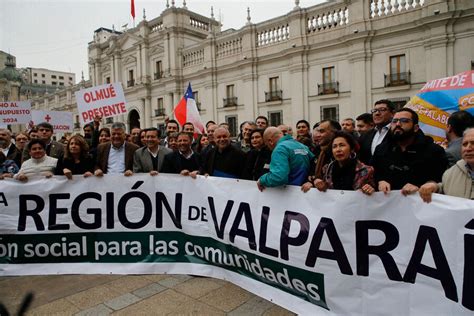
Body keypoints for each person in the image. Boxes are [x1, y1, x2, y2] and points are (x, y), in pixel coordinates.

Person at [372, 108, 448, 195]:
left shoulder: (434, 151)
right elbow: (373, 173)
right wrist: (380, 181)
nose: (398, 124)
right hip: (389, 203)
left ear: (415, 128)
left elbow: (441, 179)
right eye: (394, 121)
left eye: (404, 121)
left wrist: (421, 186)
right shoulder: (381, 149)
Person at [302, 131, 375, 194]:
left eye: (342, 145)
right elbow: (322, 185)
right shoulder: (327, 169)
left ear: (352, 149)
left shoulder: (366, 170)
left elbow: (375, 192)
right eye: (334, 146)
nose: (338, 150)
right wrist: (312, 183)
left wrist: (370, 189)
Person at [419, 128, 474, 202]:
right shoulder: (449, 174)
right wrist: (436, 188)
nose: (468, 148)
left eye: (473, 143)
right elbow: (446, 190)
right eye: (464, 144)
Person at [358, 100, 395, 164]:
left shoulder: (397, 134)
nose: (377, 113)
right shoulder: (365, 136)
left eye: (382, 110)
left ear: (392, 114)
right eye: (374, 111)